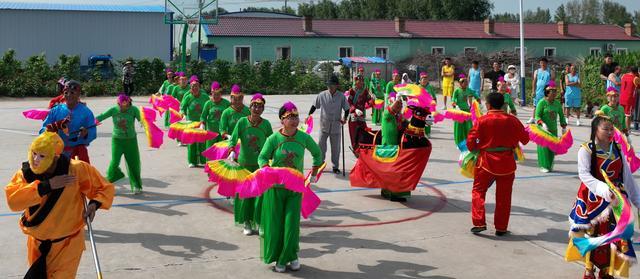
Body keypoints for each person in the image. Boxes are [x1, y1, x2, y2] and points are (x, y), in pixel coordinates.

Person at [4, 122, 115, 278]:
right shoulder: (25, 174)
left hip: (67, 245)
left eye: (42, 156)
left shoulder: (76, 169)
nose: (35, 159)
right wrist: (46, 186)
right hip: (37, 243)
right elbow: (13, 201)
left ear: (54, 156)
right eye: (34, 153)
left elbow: (104, 187)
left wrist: (94, 205)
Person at [565, 116, 640, 279]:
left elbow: (627, 177)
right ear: (595, 130)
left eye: (611, 128)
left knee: (613, 236)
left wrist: (637, 200)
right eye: (605, 129)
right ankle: (589, 269)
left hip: (615, 202)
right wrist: (604, 189)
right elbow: (584, 175)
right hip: (592, 200)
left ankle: (607, 270)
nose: (610, 132)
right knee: (592, 234)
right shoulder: (586, 149)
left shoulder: (617, 149)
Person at [257, 102, 323, 273]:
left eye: (296, 117)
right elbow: (262, 157)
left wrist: (314, 171)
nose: (294, 120)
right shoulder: (273, 139)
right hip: (276, 189)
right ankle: (285, 256)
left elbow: (317, 153)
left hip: (295, 189)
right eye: (290, 117)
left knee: (292, 224)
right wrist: (266, 170)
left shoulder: (303, 137)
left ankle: (288, 256)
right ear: (282, 120)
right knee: (277, 225)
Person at [467, 92, 529, 236]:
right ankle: (501, 227)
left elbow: (471, 142)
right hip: (507, 162)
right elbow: (525, 139)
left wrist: (478, 147)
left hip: (486, 162)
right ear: (502, 104)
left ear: (488, 105)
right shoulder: (512, 120)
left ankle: (479, 222)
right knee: (504, 197)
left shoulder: (482, 120)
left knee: (478, 191)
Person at [228, 94, 273, 236]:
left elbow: (271, 143)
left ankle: (259, 223)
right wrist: (231, 151)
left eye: (260, 106)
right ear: (250, 107)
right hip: (243, 165)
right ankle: (247, 222)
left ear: (263, 109)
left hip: (260, 166)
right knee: (245, 196)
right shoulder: (242, 122)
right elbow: (233, 139)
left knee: (260, 197)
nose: (256, 109)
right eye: (254, 105)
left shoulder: (266, 124)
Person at [95, 94, 143, 194]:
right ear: (118, 103)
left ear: (129, 103)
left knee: (133, 163)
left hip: (131, 140)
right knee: (115, 162)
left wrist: (145, 123)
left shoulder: (134, 109)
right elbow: (102, 116)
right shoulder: (114, 110)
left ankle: (136, 185)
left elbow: (141, 119)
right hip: (117, 140)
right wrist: (91, 122)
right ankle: (110, 180)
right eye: (121, 105)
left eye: (125, 105)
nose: (123, 107)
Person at [41, 80, 97, 163]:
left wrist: (86, 133)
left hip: (78, 153)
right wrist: (49, 131)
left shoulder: (86, 112)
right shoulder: (55, 110)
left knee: (79, 174)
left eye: (72, 93)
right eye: (66, 93)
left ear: (78, 94)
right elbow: (44, 129)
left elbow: (93, 132)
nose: (68, 95)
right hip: (58, 152)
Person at [306, 75, 349, 174]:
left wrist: (345, 118)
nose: (330, 86)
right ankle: (320, 164)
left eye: (332, 85)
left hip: (336, 126)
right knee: (321, 147)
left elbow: (347, 109)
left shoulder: (341, 96)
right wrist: (309, 115)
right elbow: (314, 106)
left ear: (336, 86)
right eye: (328, 85)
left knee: (336, 148)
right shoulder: (322, 95)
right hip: (324, 125)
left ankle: (335, 166)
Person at [535, 81, 567, 173]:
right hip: (543, 130)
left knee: (552, 149)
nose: (554, 94)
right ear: (547, 93)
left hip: (553, 130)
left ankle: (549, 165)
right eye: (552, 92)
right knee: (543, 149)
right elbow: (537, 116)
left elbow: (561, 115)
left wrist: (563, 127)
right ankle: (543, 166)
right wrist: (542, 123)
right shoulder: (541, 102)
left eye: (555, 92)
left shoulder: (557, 103)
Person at [180, 75, 210, 167]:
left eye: (196, 86)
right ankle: (192, 161)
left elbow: (210, 106)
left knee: (202, 142)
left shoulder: (205, 97)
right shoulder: (188, 97)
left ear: (199, 87)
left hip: (202, 122)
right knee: (191, 142)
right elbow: (182, 108)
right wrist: (183, 115)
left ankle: (203, 160)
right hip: (191, 122)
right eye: (192, 86)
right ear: (190, 87)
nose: (194, 88)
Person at [451, 75, 480, 148]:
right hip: (459, 111)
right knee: (459, 127)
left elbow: (474, 94)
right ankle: (459, 143)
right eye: (465, 82)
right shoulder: (457, 90)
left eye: (467, 82)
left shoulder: (468, 89)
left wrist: (478, 99)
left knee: (468, 126)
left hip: (467, 110)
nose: (466, 84)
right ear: (460, 83)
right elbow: (453, 99)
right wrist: (454, 104)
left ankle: (468, 141)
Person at [201, 81, 230, 149]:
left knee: (221, 153)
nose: (216, 96)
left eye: (218, 94)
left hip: (223, 133)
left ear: (221, 94)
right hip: (211, 132)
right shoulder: (208, 103)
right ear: (211, 93)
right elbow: (203, 116)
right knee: (210, 152)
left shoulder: (226, 103)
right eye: (214, 94)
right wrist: (202, 124)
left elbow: (230, 116)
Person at [347, 75, 371, 150]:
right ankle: (355, 147)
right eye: (359, 81)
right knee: (354, 132)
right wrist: (355, 110)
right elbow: (349, 103)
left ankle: (363, 146)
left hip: (362, 114)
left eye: (362, 81)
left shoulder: (365, 90)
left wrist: (373, 101)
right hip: (354, 115)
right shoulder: (352, 91)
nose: (361, 82)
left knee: (364, 130)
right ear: (356, 82)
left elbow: (368, 100)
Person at [530, 58, 554, 124]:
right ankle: (533, 118)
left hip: (546, 91)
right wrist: (533, 91)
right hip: (538, 91)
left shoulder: (550, 71)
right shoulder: (537, 71)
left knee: (546, 105)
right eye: (541, 63)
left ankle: (546, 119)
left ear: (546, 63)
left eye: (544, 63)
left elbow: (552, 82)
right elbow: (534, 82)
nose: (542, 64)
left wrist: (551, 92)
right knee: (535, 105)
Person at [620, 66, 640, 131]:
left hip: (622, 97)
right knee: (628, 115)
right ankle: (627, 129)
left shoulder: (623, 75)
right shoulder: (636, 78)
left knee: (621, 113)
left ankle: (620, 127)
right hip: (630, 99)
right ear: (636, 71)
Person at [418, 72, 437, 137]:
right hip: (420, 106)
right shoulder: (418, 87)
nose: (425, 81)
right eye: (423, 79)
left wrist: (434, 103)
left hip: (428, 106)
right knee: (420, 120)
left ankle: (428, 133)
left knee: (428, 120)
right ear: (420, 81)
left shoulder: (430, 87)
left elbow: (434, 96)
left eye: (426, 79)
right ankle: (420, 132)